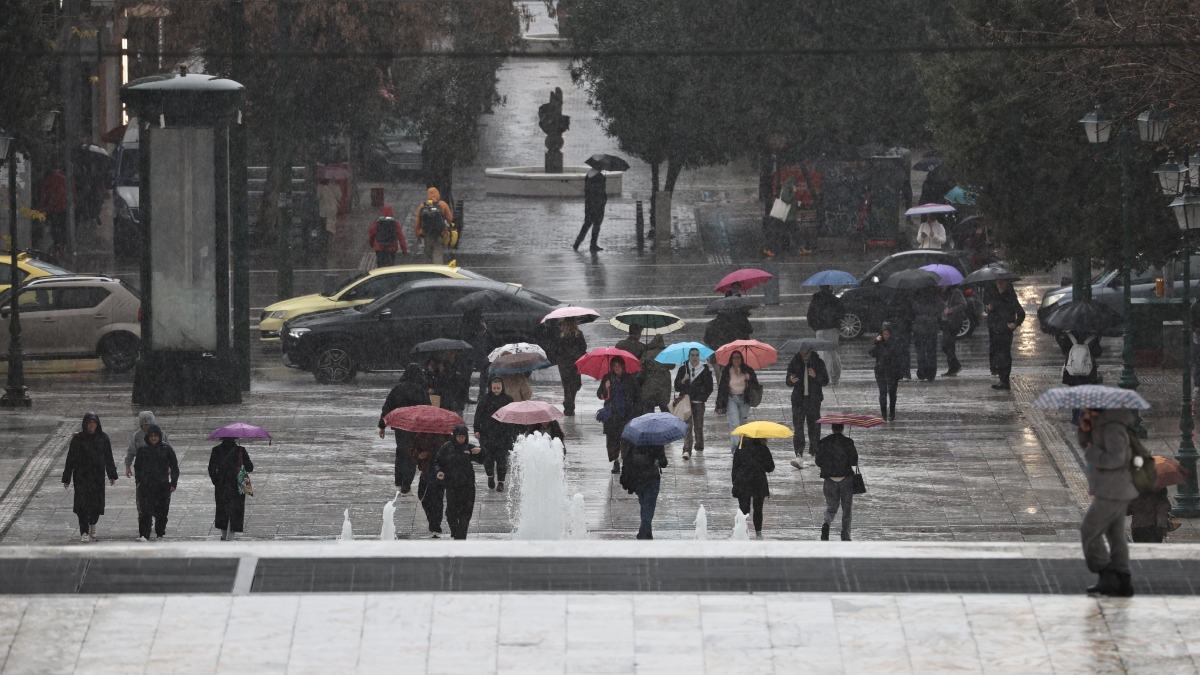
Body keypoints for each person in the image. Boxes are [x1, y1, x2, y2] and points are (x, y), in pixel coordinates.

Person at [1077, 408, 1137, 597]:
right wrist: (1086, 431)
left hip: (1112, 490)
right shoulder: (1103, 426)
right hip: (1114, 488)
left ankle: (1107, 574)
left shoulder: (1112, 429)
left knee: (1089, 529)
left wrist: (1092, 452)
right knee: (1115, 533)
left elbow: (1116, 459)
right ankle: (1122, 579)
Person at [62, 412, 118, 543]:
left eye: (94, 423)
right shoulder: (78, 439)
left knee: (96, 504)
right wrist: (66, 477)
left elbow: (108, 457)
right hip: (81, 476)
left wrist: (112, 474)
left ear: (97, 424)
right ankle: (84, 531)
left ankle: (93, 522)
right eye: (89, 422)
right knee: (82, 504)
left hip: (97, 476)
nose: (92, 425)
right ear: (85, 424)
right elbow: (70, 459)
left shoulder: (103, 438)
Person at [378, 364, 431, 494]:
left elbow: (387, 407)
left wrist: (382, 425)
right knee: (413, 454)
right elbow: (428, 409)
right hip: (416, 427)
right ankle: (406, 483)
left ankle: (398, 480)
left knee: (401, 451)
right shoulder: (420, 390)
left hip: (400, 426)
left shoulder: (398, 389)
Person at [434, 425, 483, 540]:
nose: (461, 439)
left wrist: (481, 451)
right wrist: (439, 471)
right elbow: (437, 461)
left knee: (466, 512)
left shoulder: (469, 448)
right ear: (455, 436)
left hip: (468, 485)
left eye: (463, 437)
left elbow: (483, 458)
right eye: (459, 436)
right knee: (451, 512)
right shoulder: (447, 447)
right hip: (452, 485)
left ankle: (461, 537)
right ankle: (456, 531)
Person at [133, 425, 179, 541]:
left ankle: (160, 534)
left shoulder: (167, 449)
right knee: (145, 512)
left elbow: (174, 466)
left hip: (162, 485)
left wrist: (173, 483)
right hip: (146, 486)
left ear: (159, 437)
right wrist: (138, 481)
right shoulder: (142, 450)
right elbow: (137, 467)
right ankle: (144, 535)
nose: (153, 438)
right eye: (151, 436)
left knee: (162, 512)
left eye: (155, 436)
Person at [814, 424, 859, 541]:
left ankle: (826, 523)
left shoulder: (823, 442)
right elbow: (854, 460)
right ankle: (845, 534)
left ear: (832, 428)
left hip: (830, 479)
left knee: (831, 507)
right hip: (846, 479)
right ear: (842, 428)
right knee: (846, 508)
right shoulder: (848, 442)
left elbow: (818, 461)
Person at [785, 347, 829, 468]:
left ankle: (813, 453)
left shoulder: (818, 362)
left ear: (810, 351)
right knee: (798, 428)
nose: (804, 353)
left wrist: (815, 376)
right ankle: (799, 454)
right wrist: (791, 380)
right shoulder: (794, 362)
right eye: (802, 351)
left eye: (806, 351)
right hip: (798, 400)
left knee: (814, 428)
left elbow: (825, 381)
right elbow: (787, 381)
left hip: (813, 400)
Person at [598, 357, 640, 474]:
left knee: (626, 441)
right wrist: (605, 388)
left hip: (626, 415)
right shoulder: (607, 378)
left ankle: (625, 462)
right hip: (612, 416)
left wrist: (635, 411)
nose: (616, 368)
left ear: (623, 366)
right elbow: (600, 394)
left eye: (618, 365)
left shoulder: (630, 379)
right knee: (612, 441)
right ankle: (616, 462)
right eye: (614, 365)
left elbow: (637, 395)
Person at [474, 376, 517, 491]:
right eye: (494, 388)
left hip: (503, 434)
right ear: (490, 387)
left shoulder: (508, 399)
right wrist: (476, 429)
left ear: (502, 387)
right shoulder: (485, 399)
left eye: (498, 388)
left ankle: (501, 482)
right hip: (487, 434)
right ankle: (490, 476)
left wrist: (514, 433)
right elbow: (478, 415)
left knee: (501, 459)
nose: (496, 390)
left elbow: (513, 417)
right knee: (488, 458)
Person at [208, 438, 253, 541]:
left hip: (221, 485)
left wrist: (216, 481)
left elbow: (211, 468)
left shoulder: (216, 450)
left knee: (222, 510)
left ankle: (224, 536)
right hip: (237, 484)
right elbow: (250, 468)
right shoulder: (240, 450)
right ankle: (230, 537)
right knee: (235, 511)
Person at [620, 443, 668, 539]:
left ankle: (647, 534)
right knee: (648, 507)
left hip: (638, 479)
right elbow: (664, 463)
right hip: (652, 479)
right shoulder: (657, 442)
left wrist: (625, 480)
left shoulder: (634, 442)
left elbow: (627, 461)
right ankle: (643, 533)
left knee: (644, 506)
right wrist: (658, 460)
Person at [985, 279, 1025, 390]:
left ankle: (1005, 380)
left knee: (1004, 355)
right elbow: (991, 312)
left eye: (1001, 283)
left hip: (1005, 331)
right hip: (995, 330)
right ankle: (1001, 378)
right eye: (997, 283)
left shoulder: (1010, 298)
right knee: (997, 355)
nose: (999, 285)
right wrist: (989, 309)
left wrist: (1015, 324)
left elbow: (1021, 313)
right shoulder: (994, 297)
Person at [731, 436, 775, 537]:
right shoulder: (763, 448)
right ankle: (758, 532)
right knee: (758, 509)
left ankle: (742, 531)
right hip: (758, 481)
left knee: (743, 509)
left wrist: (735, 482)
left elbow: (735, 468)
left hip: (743, 482)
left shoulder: (740, 448)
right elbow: (770, 467)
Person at [715, 350, 759, 451]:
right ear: (731, 359)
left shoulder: (748, 370)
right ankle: (735, 449)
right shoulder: (727, 371)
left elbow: (756, 385)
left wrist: (749, 379)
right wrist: (720, 405)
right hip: (731, 399)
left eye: (738, 357)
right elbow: (722, 389)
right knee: (734, 424)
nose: (736, 360)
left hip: (745, 399)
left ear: (741, 358)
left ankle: (743, 447)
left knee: (743, 423)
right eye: (734, 357)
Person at [674, 348, 713, 460]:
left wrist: (702, 397)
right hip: (686, 402)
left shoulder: (705, 370)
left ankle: (699, 445)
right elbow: (677, 386)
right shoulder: (683, 369)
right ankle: (686, 450)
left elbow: (709, 387)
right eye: (692, 355)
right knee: (687, 426)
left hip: (699, 402)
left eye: (696, 355)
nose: (695, 357)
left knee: (698, 426)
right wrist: (683, 380)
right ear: (689, 356)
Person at [414, 432, 451, 537]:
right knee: (423, 497)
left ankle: (435, 526)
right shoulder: (420, 435)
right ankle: (432, 520)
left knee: (437, 501)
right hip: (426, 473)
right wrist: (420, 455)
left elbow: (453, 451)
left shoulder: (446, 436)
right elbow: (412, 450)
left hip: (439, 474)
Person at [806, 285, 843, 384]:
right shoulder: (835, 300)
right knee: (833, 352)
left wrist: (815, 326)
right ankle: (835, 375)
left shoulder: (815, 300)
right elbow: (842, 313)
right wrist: (837, 324)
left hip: (820, 329)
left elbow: (810, 315)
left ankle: (824, 376)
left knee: (823, 353)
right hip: (833, 329)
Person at [551, 317, 587, 416]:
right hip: (575, 363)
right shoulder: (578, 334)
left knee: (567, 385)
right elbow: (583, 348)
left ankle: (568, 404)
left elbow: (556, 349)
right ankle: (569, 405)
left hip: (564, 364)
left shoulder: (560, 335)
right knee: (575, 384)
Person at [870, 323, 905, 421]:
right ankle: (884, 413)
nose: (886, 336)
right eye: (884, 334)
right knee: (883, 392)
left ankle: (892, 412)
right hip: (881, 371)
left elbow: (900, 357)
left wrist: (900, 371)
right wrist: (876, 342)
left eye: (887, 334)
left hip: (892, 371)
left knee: (892, 393)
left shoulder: (896, 342)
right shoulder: (878, 342)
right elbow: (871, 353)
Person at [414, 187, 454, 264]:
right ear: (437, 194)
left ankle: (429, 271)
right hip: (439, 234)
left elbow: (417, 223)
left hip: (427, 234)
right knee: (437, 254)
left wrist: (418, 235)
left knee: (428, 254)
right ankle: (438, 271)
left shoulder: (422, 206)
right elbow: (451, 220)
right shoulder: (442, 204)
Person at [911, 287, 942, 381]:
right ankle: (931, 373)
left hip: (919, 327)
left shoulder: (915, 300)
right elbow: (940, 310)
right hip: (932, 326)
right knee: (931, 351)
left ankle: (922, 371)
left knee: (920, 351)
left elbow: (912, 311)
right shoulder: (935, 300)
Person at [574, 168, 607, 252]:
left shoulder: (588, 175)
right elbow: (601, 191)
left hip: (589, 203)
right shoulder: (599, 176)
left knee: (587, 223)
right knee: (597, 224)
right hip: (598, 204)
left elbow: (588, 190)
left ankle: (577, 242)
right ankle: (593, 244)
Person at [639, 335, 673, 415]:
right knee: (665, 409)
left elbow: (640, 366)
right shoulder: (666, 354)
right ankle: (668, 425)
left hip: (649, 386)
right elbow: (672, 366)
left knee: (648, 410)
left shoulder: (647, 353)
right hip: (664, 386)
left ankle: (648, 426)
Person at [940, 286, 967, 376]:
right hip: (945, 322)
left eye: (943, 284)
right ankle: (952, 368)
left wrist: (950, 310)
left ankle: (956, 365)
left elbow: (963, 304)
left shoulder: (955, 292)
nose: (941, 286)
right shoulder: (941, 294)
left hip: (954, 321)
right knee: (949, 345)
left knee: (945, 344)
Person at [39, 168, 67, 253]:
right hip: (63, 208)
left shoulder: (49, 180)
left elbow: (44, 195)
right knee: (62, 227)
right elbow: (73, 193)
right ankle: (62, 244)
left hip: (53, 209)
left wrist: (44, 207)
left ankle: (57, 244)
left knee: (55, 227)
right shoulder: (65, 179)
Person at [436, 349, 472, 415]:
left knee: (459, 419)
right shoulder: (443, 365)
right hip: (446, 399)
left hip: (458, 397)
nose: (449, 355)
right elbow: (440, 382)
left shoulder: (460, 364)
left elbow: (464, 381)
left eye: (451, 353)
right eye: (448, 353)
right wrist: (441, 372)